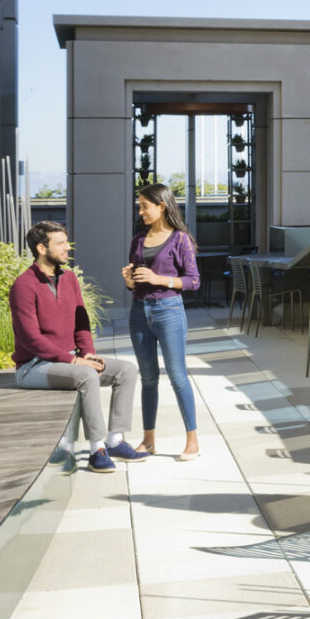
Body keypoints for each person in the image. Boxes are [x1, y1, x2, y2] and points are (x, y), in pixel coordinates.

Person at [10, 221, 146, 474]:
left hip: (68, 360)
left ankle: (115, 440)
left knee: (126, 370)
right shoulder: (23, 286)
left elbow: (81, 323)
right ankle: (97, 449)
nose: (67, 248)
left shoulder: (70, 279)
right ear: (41, 248)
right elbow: (31, 339)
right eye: (60, 243)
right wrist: (75, 362)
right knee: (86, 375)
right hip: (35, 366)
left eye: (66, 242)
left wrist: (88, 352)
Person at [122, 183, 201, 461]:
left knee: (178, 376)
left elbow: (194, 280)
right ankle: (148, 440)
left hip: (168, 311)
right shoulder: (138, 240)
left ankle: (192, 442)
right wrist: (130, 282)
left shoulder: (181, 239)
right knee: (148, 379)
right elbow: (135, 282)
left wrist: (160, 280)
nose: (140, 211)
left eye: (145, 206)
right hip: (139, 312)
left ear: (162, 206)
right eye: (139, 206)